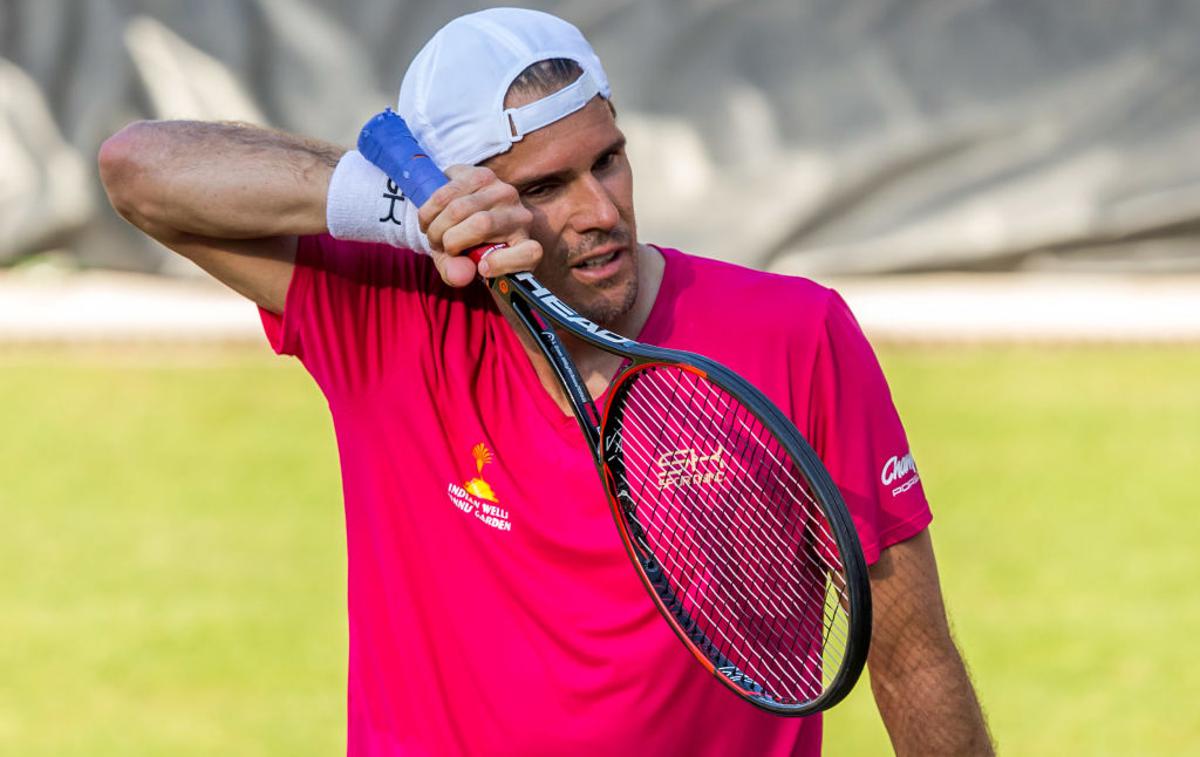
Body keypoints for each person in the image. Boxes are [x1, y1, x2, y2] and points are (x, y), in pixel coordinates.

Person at [99, 8, 992, 756]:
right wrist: (393, 208)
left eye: (607, 160)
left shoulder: (795, 332)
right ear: (467, 201)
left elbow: (911, 657)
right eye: (545, 185)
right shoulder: (386, 314)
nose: (599, 210)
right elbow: (137, 167)